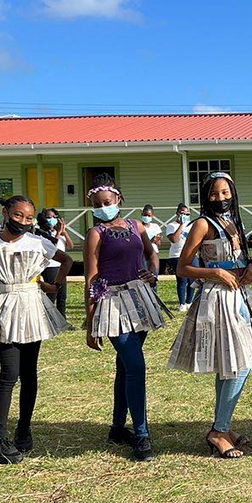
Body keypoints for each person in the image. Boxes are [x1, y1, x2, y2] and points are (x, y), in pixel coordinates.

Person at [169, 173, 252, 459]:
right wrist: (215, 272)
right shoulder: (201, 224)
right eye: (214, 194)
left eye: (225, 193)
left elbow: (241, 258)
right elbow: (182, 268)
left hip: (240, 296)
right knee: (241, 363)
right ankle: (219, 431)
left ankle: (222, 427)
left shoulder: (234, 222)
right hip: (217, 298)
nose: (220, 199)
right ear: (205, 197)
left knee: (230, 364)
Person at [0, 195, 72, 464]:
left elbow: (65, 260)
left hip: (31, 308)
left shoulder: (38, 242)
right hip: (5, 308)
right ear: (6, 213)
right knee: (9, 374)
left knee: (29, 373)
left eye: (29, 218)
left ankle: (24, 430)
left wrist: (54, 285)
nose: (24, 222)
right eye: (18, 215)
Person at [84, 174, 168, 462]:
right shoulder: (95, 233)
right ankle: (142, 435)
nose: (103, 207)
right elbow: (91, 276)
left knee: (125, 366)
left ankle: (118, 428)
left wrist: (152, 272)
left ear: (118, 199)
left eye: (107, 202)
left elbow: (151, 253)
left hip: (139, 299)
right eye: (97, 204)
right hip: (111, 304)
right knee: (135, 365)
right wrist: (91, 322)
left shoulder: (137, 226)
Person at [35, 207, 74, 318]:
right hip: (50, 266)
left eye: (54, 217)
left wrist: (64, 232)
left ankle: (62, 318)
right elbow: (52, 247)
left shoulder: (60, 233)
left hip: (61, 267)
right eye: (48, 217)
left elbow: (70, 246)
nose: (52, 219)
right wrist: (57, 233)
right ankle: (48, 318)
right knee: (52, 293)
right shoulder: (42, 233)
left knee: (62, 295)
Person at [167, 204, 195, 311]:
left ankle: (189, 302)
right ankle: (182, 303)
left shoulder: (191, 225)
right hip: (176, 256)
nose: (185, 216)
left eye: (187, 214)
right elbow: (174, 239)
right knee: (182, 279)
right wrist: (181, 225)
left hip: (191, 255)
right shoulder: (171, 225)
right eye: (183, 213)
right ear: (178, 214)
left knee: (192, 280)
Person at [141, 205, 163, 277]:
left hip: (154, 252)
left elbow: (159, 244)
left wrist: (157, 240)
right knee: (144, 274)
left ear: (152, 216)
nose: (147, 217)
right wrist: (150, 241)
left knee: (154, 274)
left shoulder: (155, 226)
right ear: (142, 214)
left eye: (149, 215)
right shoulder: (139, 226)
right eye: (145, 215)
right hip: (143, 254)